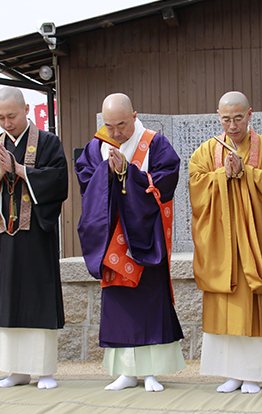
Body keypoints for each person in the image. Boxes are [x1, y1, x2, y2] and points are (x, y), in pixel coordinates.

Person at [76, 93, 185, 392]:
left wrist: (129, 173)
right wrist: (107, 173)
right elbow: (86, 180)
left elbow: (166, 179)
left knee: (151, 300)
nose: (115, 133)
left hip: (146, 235)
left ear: (134, 116)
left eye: (121, 124)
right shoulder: (97, 145)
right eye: (109, 125)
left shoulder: (154, 143)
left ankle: (153, 371)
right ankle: (125, 371)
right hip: (114, 238)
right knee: (119, 305)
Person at [0, 87, 67, 390]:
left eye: (11, 115)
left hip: (35, 238)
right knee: (7, 300)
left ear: (25, 110)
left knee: (37, 299)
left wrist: (21, 170)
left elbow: (57, 181)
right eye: (0, 117)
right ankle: (15, 371)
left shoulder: (48, 143)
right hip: (3, 241)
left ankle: (44, 370)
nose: (7, 123)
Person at [189, 91, 262, 394]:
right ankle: (229, 373)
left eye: (238, 118)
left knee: (253, 308)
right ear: (218, 117)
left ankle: (253, 374)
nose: (232, 125)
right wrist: (222, 175)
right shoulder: (206, 151)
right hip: (221, 245)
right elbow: (196, 182)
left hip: (253, 245)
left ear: (250, 115)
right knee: (223, 307)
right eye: (226, 119)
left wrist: (246, 173)